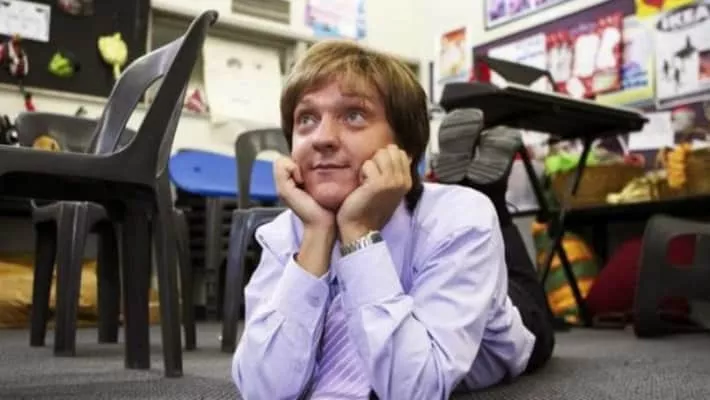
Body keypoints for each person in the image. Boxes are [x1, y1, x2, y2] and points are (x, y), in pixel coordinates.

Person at [232, 39, 554, 400]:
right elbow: (262, 391)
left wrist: (358, 233)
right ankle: (482, 190)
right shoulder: (285, 233)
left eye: (353, 115)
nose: (321, 138)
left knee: (527, 300)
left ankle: (491, 194)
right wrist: (316, 235)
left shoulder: (459, 220)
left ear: (406, 147)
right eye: (307, 119)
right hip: (443, 261)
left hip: (498, 323)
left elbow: (413, 390)